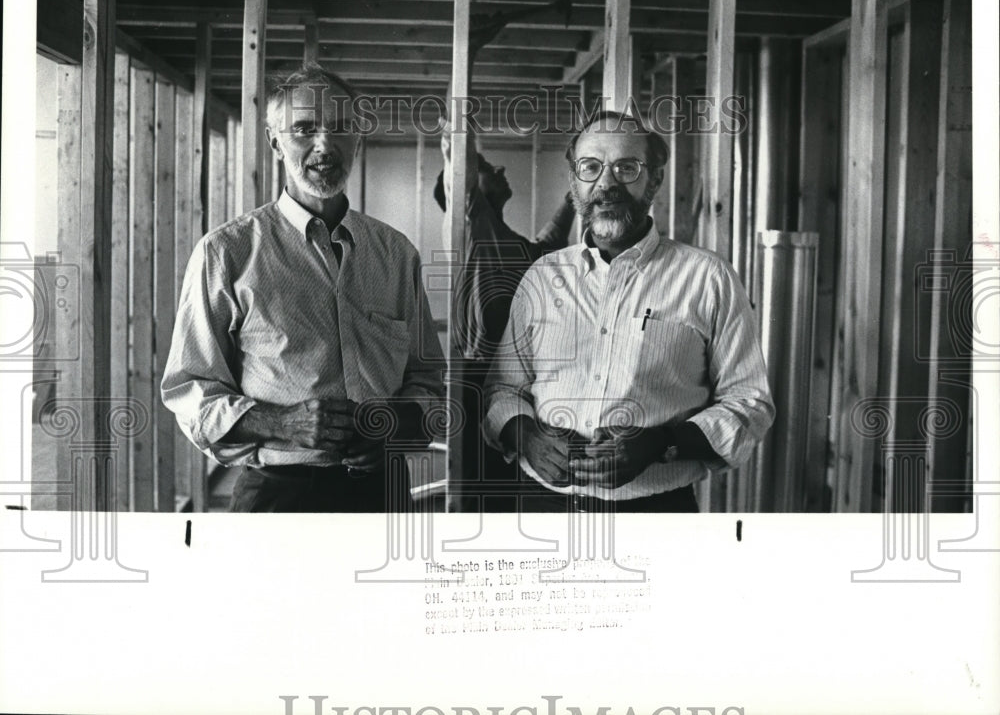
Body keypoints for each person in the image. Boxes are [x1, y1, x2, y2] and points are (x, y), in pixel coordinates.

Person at [161, 64, 444, 513]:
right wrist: (282, 423)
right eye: (304, 129)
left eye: (341, 128)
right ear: (275, 142)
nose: (324, 145)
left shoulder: (395, 254)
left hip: (383, 489)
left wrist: (391, 426)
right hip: (278, 494)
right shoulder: (226, 253)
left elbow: (427, 381)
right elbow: (190, 392)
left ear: (358, 138)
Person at [482, 111, 775, 512]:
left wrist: (663, 442)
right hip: (542, 509)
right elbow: (503, 388)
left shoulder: (708, 278)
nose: (606, 184)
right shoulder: (542, 277)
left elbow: (749, 403)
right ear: (574, 183)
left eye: (626, 167)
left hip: (657, 515)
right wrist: (525, 434)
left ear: (654, 179)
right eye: (590, 167)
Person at [436, 128, 575, 509]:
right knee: (480, 493)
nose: (497, 169)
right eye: (483, 167)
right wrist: (459, 123)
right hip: (476, 379)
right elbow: (458, 176)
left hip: (518, 375)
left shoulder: (508, 241)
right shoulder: (467, 228)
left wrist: (573, 198)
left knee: (513, 486)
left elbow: (545, 248)